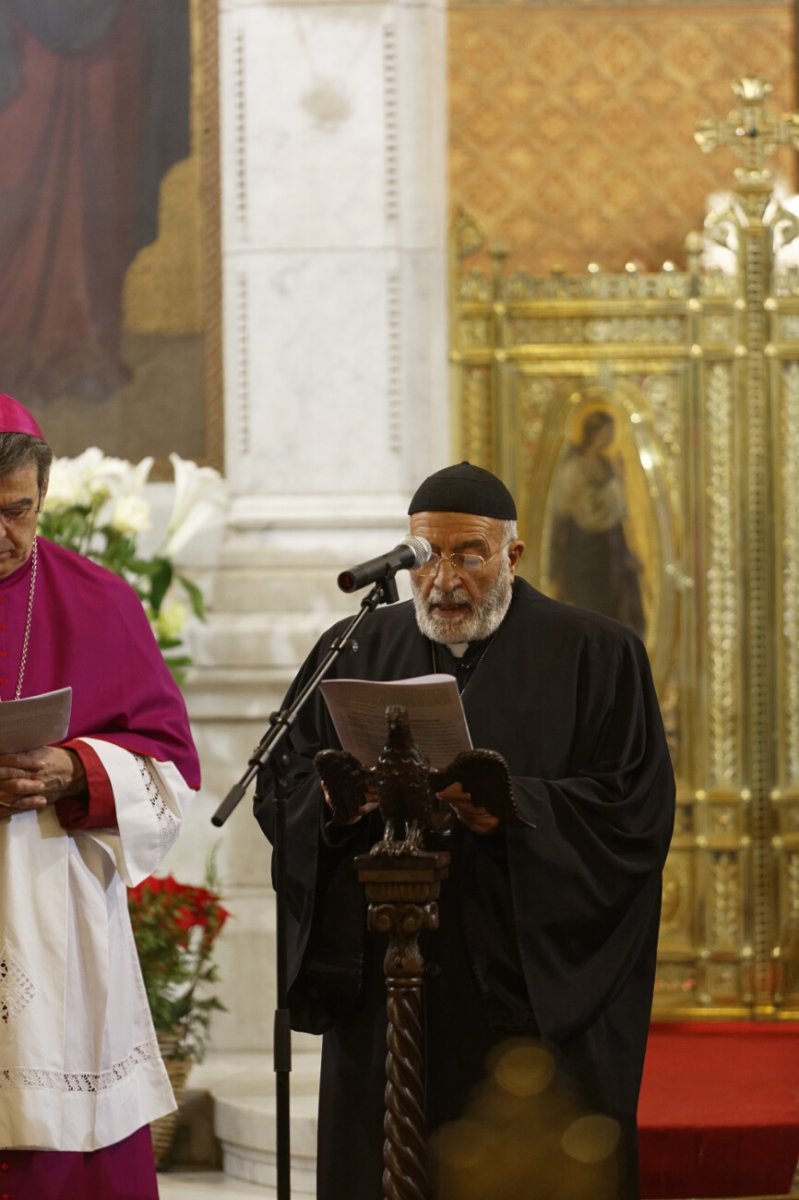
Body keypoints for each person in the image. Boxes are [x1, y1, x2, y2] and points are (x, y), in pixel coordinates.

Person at [254, 461, 675, 1200]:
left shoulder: (595, 653)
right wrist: (333, 809)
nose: (443, 579)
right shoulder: (354, 646)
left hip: (519, 977)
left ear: (510, 556)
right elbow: (282, 782)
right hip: (387, 975)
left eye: (468, 555)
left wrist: (511, 808)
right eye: (426, 555)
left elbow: (632, 811)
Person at [0, 394, 200, 1198]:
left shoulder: (100, 600)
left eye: (19, 512)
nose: (3, 534)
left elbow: (169, 766)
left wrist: (76, 771)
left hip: (56, 913)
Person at [550, 409, 646, 637]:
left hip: (609, 552)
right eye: (607, 431)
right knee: (592, 612)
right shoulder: (574, 468)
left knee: (615, 612)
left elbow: (616, 517)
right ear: (594, 433)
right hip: (585, 553)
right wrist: (615, 483)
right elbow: (588, 513)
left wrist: (626, 552)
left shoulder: (606, 464)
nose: (610, 436)